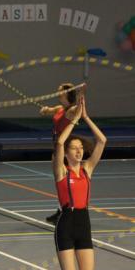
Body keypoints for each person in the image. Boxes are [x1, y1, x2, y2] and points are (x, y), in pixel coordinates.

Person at [53, 97, 106, 270]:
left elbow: (102, 141)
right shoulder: (61, 171)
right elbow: (60, 142)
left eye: (81, 147)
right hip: (65, 225)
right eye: (74, 148)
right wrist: (74, 120)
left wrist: (86, 117)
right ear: (67, 153)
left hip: (84, 224)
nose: (79, 150)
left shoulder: (87, 169)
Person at [40, 83, 81, 224]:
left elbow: (79, 110)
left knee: (65, 182)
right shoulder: (60, 108)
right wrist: (45, 110)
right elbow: (50, 110)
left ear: (67, 94)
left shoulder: (71, 110)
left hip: (64, 149)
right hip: (56, 148)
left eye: (60, 92)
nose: (58, 93)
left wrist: (81, 95)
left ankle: (68, 211)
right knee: (59, 182)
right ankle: (61, 210)